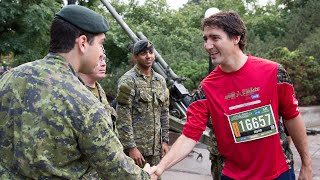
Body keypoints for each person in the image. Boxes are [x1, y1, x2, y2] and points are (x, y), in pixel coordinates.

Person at [152, 11, 312, 180]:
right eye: (205, 39)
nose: (208, 45)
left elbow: (292, 117)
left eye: (215, 38)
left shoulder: (274, 72)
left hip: (279, 174)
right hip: (234, 176)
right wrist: (159, 169)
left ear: (236, 37)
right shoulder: (206, 89)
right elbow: (189, 135)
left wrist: (307, 165)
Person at [0, 5, 154, 179]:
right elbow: (118, 171)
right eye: (100, 43)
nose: (101, 53)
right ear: (82, 43)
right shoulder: (86, 104)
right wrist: (146, 176)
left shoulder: (9, 77)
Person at [115, 40, 170, 173]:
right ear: (135, 56)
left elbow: (164, 112)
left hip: (155, 150)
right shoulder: (128, 80)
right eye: (143, 53)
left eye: (151, 52)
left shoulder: (160, 81)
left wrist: (165, 141)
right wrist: (131, 147)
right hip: (137, 151)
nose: (148, 56)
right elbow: (123, 117)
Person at [78, 53, 118, 134]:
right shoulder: (76, 92)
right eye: (98, 59)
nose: (104, 64)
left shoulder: (100, 90)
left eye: (104, 59)